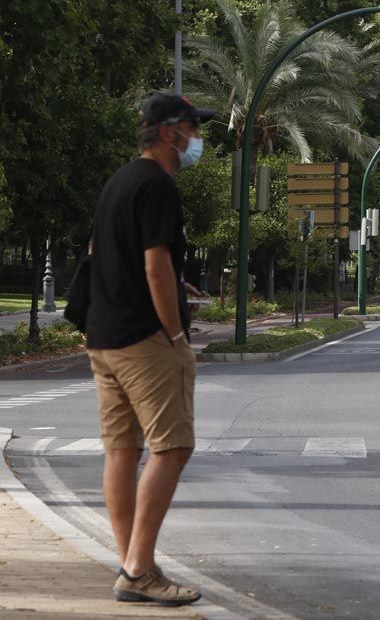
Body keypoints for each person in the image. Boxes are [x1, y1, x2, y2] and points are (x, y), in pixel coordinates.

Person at [86, 93, 215, 606]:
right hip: (146, 340)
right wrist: (176, 335)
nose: (197, 137)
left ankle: (133, 565)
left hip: (105, 336)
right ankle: (139, 569)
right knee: (173, 447)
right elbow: (155, 264)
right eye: (192, 127)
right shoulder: (157, 185)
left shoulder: (118, 182)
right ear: (168, 132)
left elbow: (105, 255)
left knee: (122, 450)